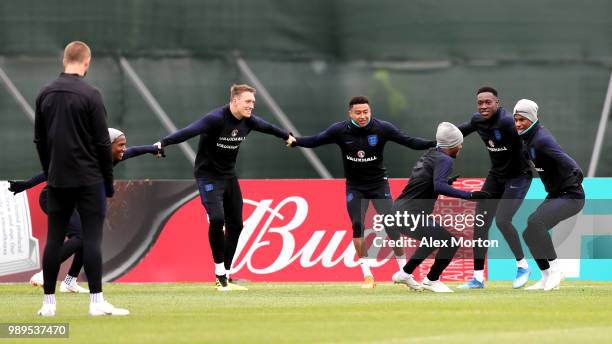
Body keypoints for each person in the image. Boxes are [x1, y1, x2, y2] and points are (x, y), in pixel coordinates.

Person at [154, 84, 294, 291]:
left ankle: (225, 276)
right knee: (218, 219)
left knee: (237, 225)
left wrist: (287, 136)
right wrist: (163, 143)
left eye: (253, 102)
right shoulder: (216, 118)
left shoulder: (249, 121)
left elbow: (270, 128)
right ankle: (219, 274)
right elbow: (189, 131)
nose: (251, 106)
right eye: (248, 101)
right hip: (208, 176)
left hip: (228, 176)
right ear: (235, 101)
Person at [290, 96, 436, 288]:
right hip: (355, 187)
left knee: (392, 226)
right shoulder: (339, 130)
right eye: (358, 113)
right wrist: (295, 141)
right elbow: (316, 140)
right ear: (350, 113)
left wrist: (437, 143)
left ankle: (404, 274)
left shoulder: (382, 128)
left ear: (370, 111)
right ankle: (367, 275)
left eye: (365, 112)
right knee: (357, 225)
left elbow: (410, 142)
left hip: (378, 185)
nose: (362, 116)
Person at [33, 41, 128, 316]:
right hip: (89, 179)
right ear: (87, 62)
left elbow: (39, 139)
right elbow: (102, 143)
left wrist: (49, 169)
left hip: (58, 179)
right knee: (91, 239)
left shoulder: (45, 93)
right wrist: (108, 182)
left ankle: (48, 305)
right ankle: (96, 303)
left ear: (65, 60)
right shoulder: (91, 94)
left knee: (53, 240)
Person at [10, 128, 163, 294]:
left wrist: (153, 149)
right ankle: (46, 273)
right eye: (121, 145)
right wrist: (25, 185)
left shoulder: (113, 156)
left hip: (72, 201)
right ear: (107, 146)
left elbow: (134, 151)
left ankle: (70, 282)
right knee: (81, 236)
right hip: (54, 198)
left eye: (124, 145)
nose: (124, 148)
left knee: (88, 238)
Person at [390, 122, 490, 292]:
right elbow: (439, 187)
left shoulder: (432, 153)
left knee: (432, 240)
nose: (461, 145)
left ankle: (405, 273)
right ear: (451, 144)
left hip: (399, 211)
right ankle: (431, 280)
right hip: (409, 213)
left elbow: (428, 181)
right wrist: (470, 195)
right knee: (450, 242)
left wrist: (447, 182)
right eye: (459, 142)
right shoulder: (445, 159)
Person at [457, 86, 533, 289]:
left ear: (497, 103)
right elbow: (456, 133)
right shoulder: (477, 120)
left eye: (487, 102)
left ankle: (523, 266)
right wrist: (435, 144)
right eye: (480, 102)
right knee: (479, 224)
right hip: (496, 176)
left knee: (502, 220)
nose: (483, 106)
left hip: (518, 177)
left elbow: (532, 141)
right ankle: (478, 278)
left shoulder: (508, 122)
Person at [513, 99, 585, 291]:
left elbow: (564, 158)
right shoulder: (526, 139)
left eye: (522, 119)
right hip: (555, 194)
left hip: (572, 196)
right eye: (516, 119)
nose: (518, 124)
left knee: (536, 222)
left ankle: (556, 270)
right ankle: (545, 276)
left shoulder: (541, 138)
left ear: (532, 119)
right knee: (529, 233)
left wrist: (576, 171)